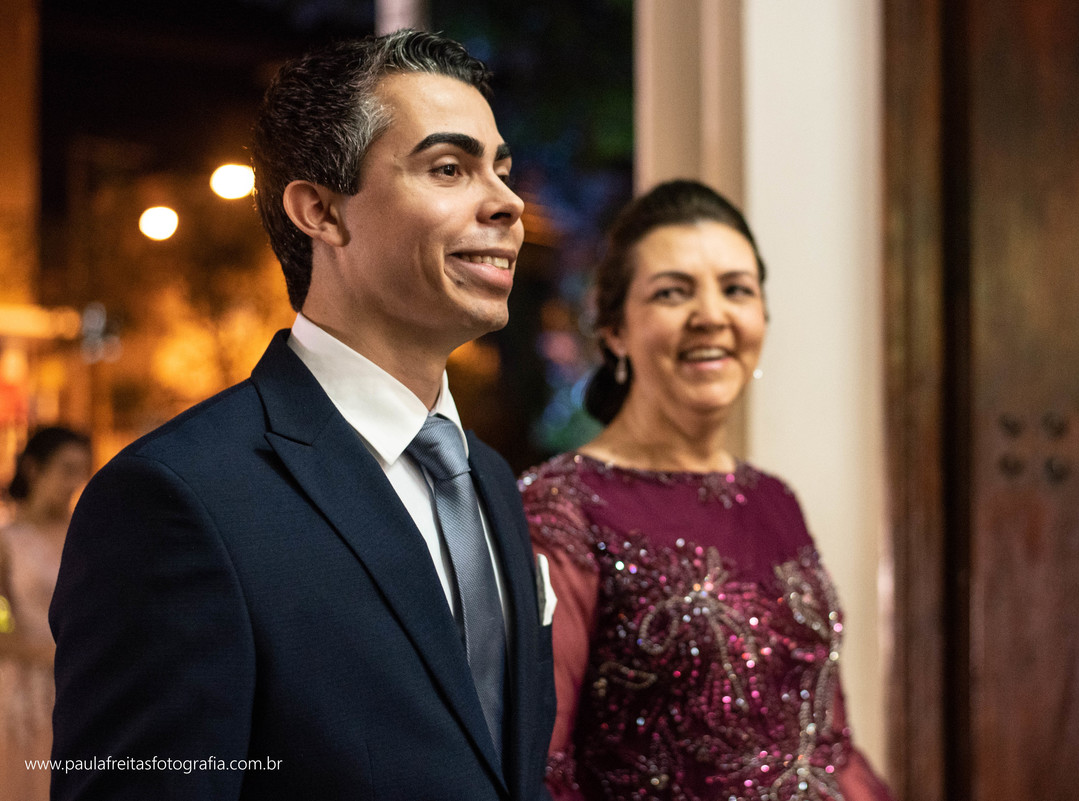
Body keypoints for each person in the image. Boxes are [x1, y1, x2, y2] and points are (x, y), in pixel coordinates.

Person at [50, 30, 555, 801]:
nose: (508, 203)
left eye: (502, 170)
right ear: (321, 210)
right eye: (450, 168)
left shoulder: (485, 476)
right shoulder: (177, 497)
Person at [520, 180, 894, 801]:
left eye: (736, 289)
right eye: (672, 292)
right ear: (613, 329)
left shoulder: (773, 500)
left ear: (761, 319)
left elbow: (828, 745)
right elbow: (544, 769)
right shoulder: (562, 507)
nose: (711, 315)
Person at [0, 426, 91, 801]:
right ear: (34, 468)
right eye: (66, 469)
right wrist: (52, 655)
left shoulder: (85, 536)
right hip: (28, 686)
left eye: (81, 471)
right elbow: (1, 629)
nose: (73, 482)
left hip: (81, 679)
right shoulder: (8, 541)